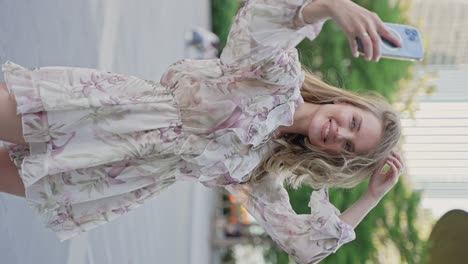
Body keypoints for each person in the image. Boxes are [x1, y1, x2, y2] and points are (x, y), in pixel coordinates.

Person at [0, 0, 405, 262]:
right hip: (112, 111)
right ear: (346, 102)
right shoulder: (278, 77)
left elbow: (303, 246)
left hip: (116, 176)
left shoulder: (261, 172)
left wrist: (371, 197)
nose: (340, 134)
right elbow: (258, 23)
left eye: (347, 147)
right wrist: (332, 7)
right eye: (352, 123)